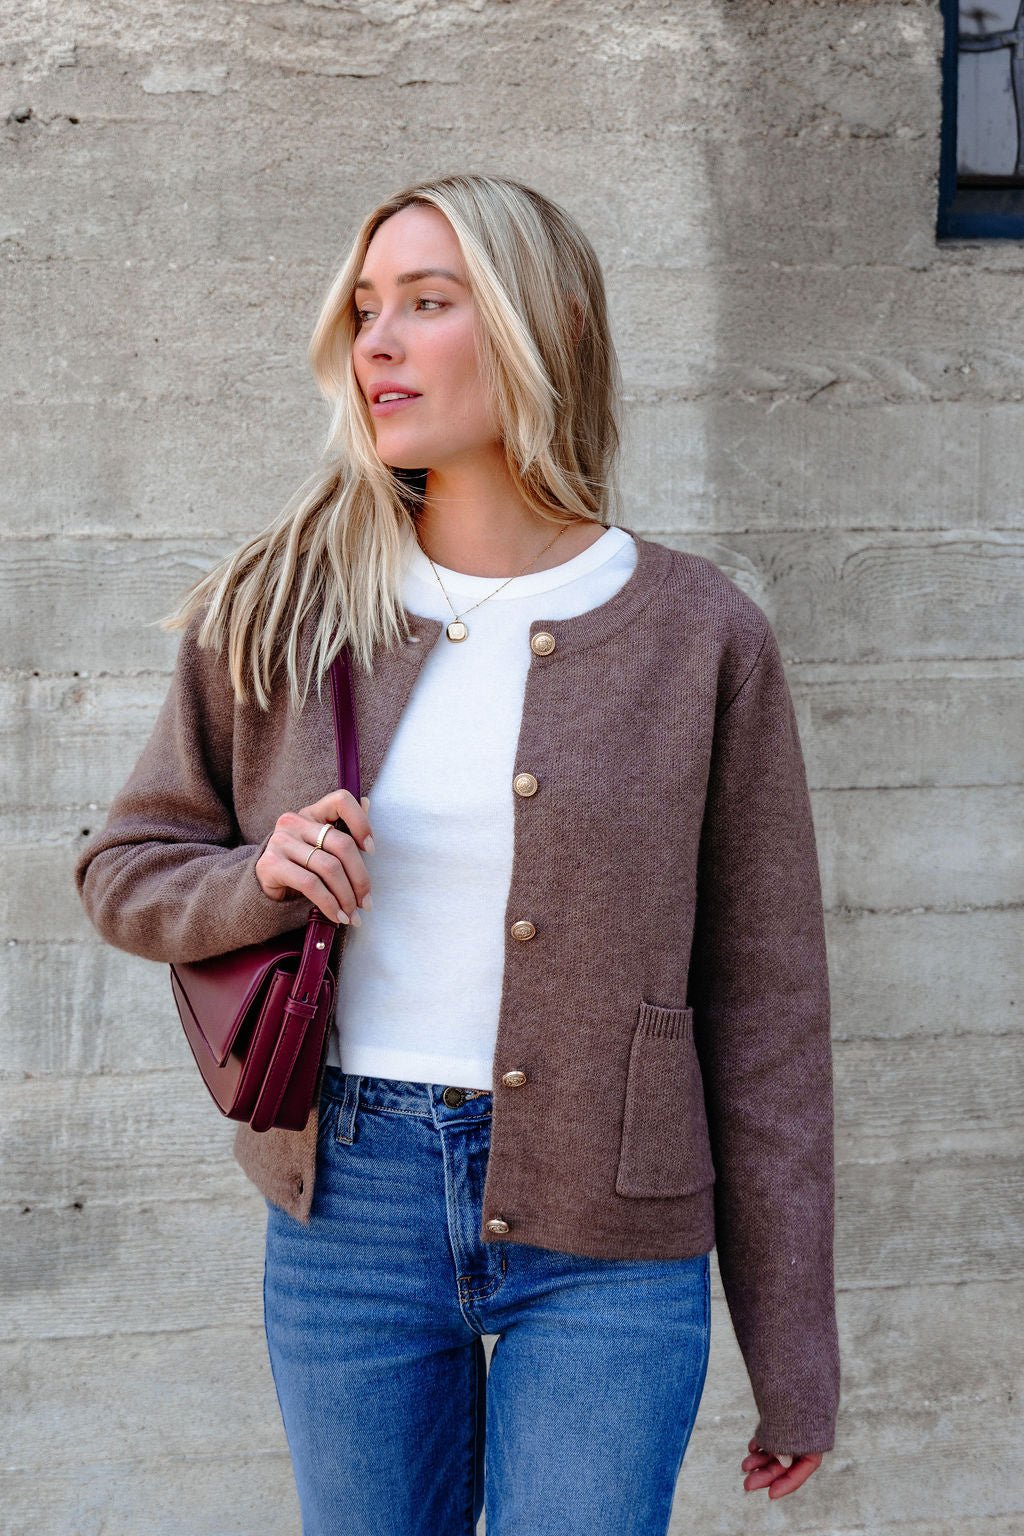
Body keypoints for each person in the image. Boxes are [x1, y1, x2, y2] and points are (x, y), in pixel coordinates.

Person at [74, 172, 840, 1535]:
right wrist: (256, 880)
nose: (376, 342)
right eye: (366, 308)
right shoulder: (284, 608)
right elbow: (125, 863)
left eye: (427, 303)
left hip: (610, 1233)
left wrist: (793, 1355)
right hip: (350, 1213)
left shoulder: (701, 634)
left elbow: (767, 1010)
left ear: (541, 328)